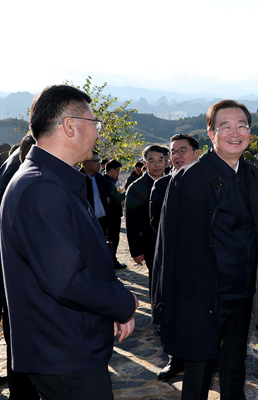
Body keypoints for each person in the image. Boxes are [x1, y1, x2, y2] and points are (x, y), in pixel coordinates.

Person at [0, 84, 138, 399]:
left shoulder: (53, 181)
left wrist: (108, 308)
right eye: (94, 123)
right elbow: (67, 281)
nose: (98, 134)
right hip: (63, 351)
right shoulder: (40, 188)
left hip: (68, 342)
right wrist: (124, 302)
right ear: (70, 126)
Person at [152, 100, 258, 400]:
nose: (235, 133)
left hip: (241, 291)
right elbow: (167, 245)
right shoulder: (187, 180)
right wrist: (164, 303)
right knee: (198, 372)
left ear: (250, 133)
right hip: (202, 294)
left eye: (242, 126)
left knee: (235, 366)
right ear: (211, 133)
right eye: (225, 126)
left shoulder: (251, 175)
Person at [149, 134, 200, 381]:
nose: (176, 156)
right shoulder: (161, 186)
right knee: (175, 313)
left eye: (183, 150)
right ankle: (175, 359)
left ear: (197, 153)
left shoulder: (211, 184)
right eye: (173, 151)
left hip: (203, 264)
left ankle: (207, 358)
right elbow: (155, 224)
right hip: (174, 262)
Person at [0, 134, 39, 399]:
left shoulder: (14, 163)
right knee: (22, 333)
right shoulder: (25, 172)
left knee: (15, 331)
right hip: (19, 271)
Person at [125, 145, 165, 287]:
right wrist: (136, 250)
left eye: (160, 160)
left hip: (175, 242)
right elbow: (131, 221)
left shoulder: (173, 182)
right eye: (152, 161)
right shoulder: (137, 187)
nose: (157, 164)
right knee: (158, 281)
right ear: (145, 163)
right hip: (151, 244)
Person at [104, 159, 127, 269]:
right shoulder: (107, 182)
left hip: (112, 215)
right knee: (113, 239)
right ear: (112, 170)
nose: (118, 173)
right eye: (117, 170)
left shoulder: (107, 180)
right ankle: (113, 261)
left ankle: (112, 260)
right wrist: (127, 193)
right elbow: (116, 199)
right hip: (112, 216)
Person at [81, 150, 110, 235]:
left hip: (103, 222)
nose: (99, 164)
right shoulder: (78, 179)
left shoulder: (100, 178)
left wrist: (108, 223)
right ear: (85, 163)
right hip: (88, 224)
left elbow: (105, 200)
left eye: (99, 161)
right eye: (95, 161)